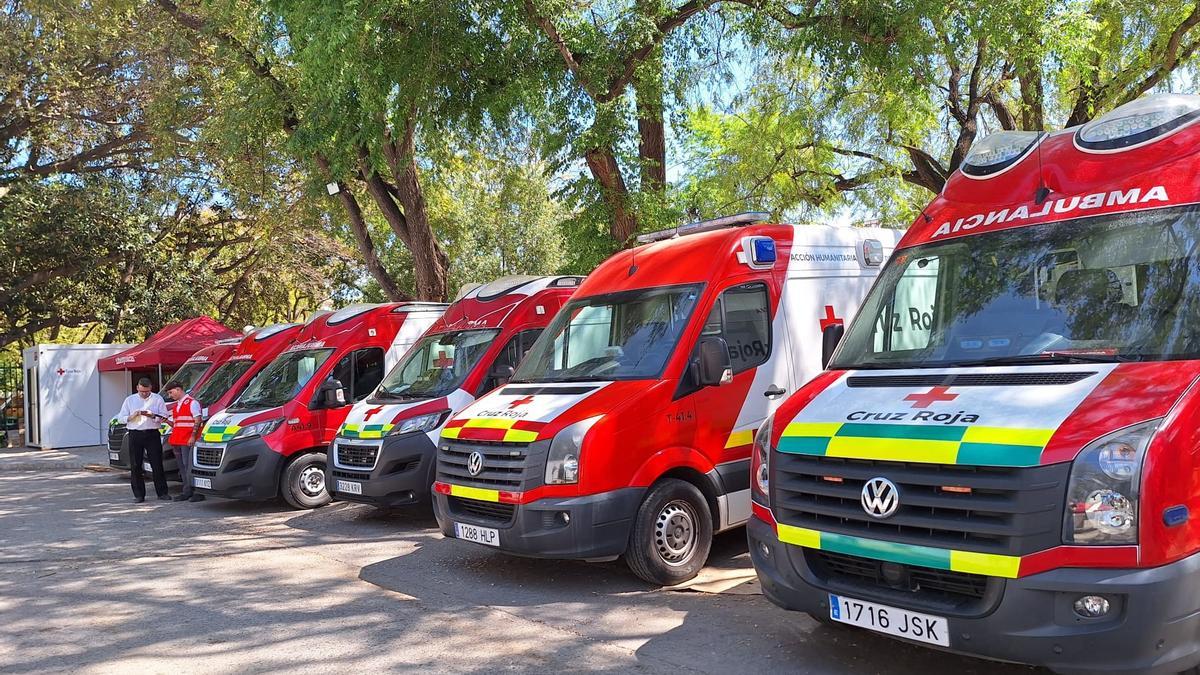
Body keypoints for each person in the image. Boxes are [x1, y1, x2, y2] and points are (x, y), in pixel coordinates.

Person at [116, 377, 170, 503]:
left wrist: (153, 416)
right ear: (137, 388)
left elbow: (165, 416)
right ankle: (139, 494)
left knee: (157, 463)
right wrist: (131, 416)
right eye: (142, 392)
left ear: (151, 388)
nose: (144, 394)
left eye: (147, 392)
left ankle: (162, 492)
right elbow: (120, 418)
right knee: (135, 465)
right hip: (135, 434)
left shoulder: (157, 399)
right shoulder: (130, 400)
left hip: (152, 433)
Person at [163, 380, 205, 502]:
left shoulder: (192, 403)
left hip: (187, 440)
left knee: (188, 466)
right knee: (182, 467)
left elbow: (197, 420)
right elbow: (178, 424)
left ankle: (196, 492)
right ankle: (187, 491)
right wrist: (166, 421)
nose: (170, 396)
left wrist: (193, 436)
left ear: (178, 389)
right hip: (178, 440)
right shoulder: (177, 406)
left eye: (171, 393)